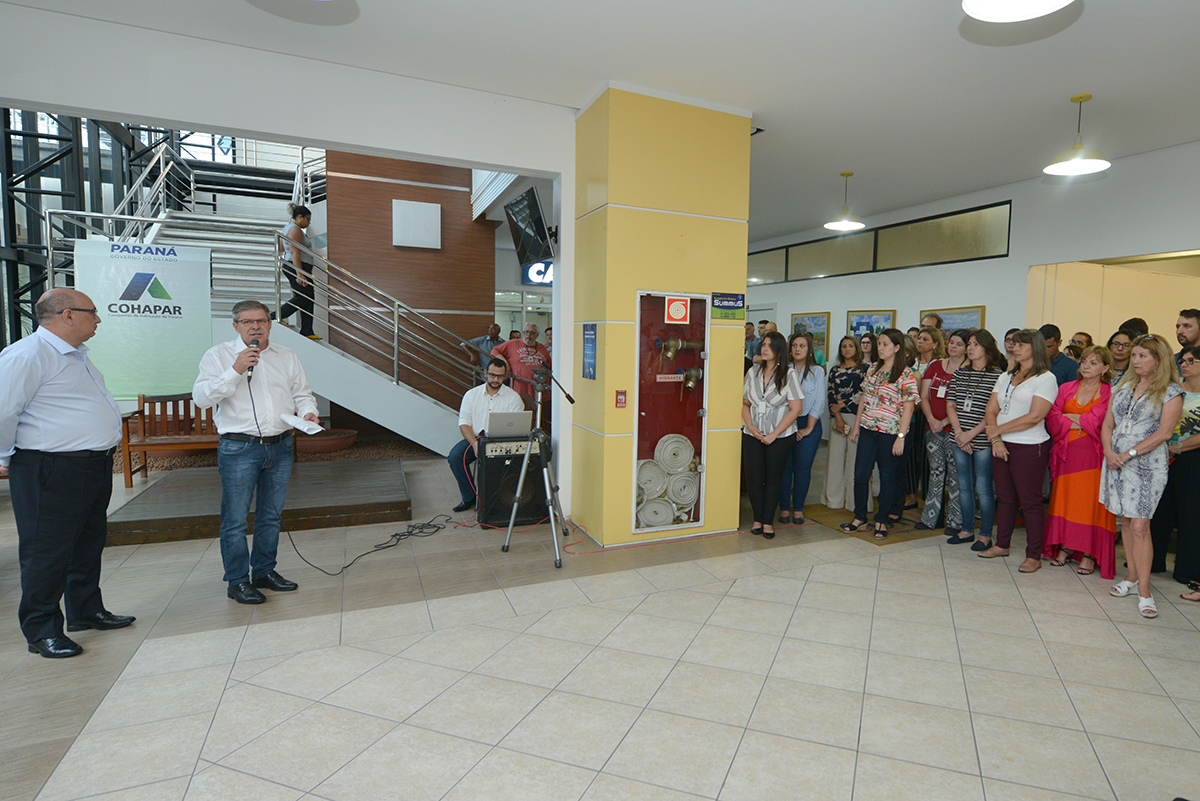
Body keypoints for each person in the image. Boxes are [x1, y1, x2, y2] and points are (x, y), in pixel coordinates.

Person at [0, 289, 134, 658]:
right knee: (46, 551)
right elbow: (4, 410)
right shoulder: (27, 355)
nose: (98, 319)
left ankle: (85, 611)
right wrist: (3, 456)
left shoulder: (76, 355)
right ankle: (42, 630)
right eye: (93, 312)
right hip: (50, 467)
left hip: (92, 465)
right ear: (67, 315)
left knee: (87, 543)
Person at [194, 300, 320, 605]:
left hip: (281, 446)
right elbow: (201, 398)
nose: (255, 327)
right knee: (236, 520)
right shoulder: (218, 356)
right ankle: (237, 581)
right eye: (248, 322)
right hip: (239, 448)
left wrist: (308, 412)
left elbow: (302, 393)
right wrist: (235, 369)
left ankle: (264, 571)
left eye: (261, 321)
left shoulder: (287, 356)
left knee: (271, 516)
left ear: (270, 324)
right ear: (235, 326)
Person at [1100, 334, 1184, 619]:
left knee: (1140, 525)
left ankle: (1145, 591)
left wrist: (1128, 454)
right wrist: (1109, 451)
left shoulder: (1171, 391)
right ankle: (1131, 577)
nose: (1135, 361)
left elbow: (1164, 433)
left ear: (1158, 360)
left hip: (1147, 465)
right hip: (1115, 461)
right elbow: (1108, 424)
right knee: (1125, 520)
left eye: (1142, 356)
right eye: (1134, 355)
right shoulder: (1123, 387)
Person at [979, 329, 1058, 573]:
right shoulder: (1006, 375)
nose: (1015, 348)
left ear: (1035, 348)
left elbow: (1035, 416)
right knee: (1005, 497)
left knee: (1030, 501)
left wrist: (997, 430)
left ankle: (1034, 555)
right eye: (1015, 344)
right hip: (1001, 443)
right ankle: (1002, 544)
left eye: (1022, 344)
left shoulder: (1045, 378)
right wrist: (996, 439)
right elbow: (991, 410)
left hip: (1029, 445)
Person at [1043, 346, 1116, 578]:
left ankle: (1089, 553)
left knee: (1090, 504)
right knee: (1066, 500)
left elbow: (1100, 422)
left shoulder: (1109, 392)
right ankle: (1065, 546)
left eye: (1094, 363)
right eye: (1084, 361)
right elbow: (1053, 417)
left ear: (1105, 368)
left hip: (1094, 457)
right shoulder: (1066, 388)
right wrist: (1083, 420)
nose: (1086, 366)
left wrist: (1071, 417)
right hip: (1066, 455)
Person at [845, 329, 919, 539]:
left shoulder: (905, 373)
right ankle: (859, 517)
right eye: (880, 344)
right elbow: (864, 399)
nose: (881, 348)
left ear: (897, 347)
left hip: (890, 432)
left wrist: (901, 437)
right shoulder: (872, 369)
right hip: (868, 429)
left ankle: (882, 520)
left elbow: (909, 408)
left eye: (886, 344)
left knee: (887, 476)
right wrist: (857, 426)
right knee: (860, 475)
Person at [946, 329, 1004, 550]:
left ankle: (986, 534)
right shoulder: (961, 373)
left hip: (983, 440)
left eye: (975, 344)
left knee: (984, 488)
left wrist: (971, 434)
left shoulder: (998, 376)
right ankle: (967, 529)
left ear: (987, 348)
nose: (970, 348)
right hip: (959, 438)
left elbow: (995, 411)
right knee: (964, 486)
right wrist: (959, 433)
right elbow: (951, 404)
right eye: (969, 344)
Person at [741, 330, 803, 539]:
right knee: (754, 478)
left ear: (779, 350)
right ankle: (757, 518)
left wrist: (774, 434)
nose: (764, 348)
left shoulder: (789, 374)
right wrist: (751, 427)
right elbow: (745, 403)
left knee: (773, 478)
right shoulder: (753, 372)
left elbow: (796, 409)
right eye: (763, 344)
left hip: (780, 436)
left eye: (769, 345)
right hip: (753, 433)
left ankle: (768, 521)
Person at [1149, 344, 1200, 584]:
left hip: (1193, 458)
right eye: (1182, 361)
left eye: (1191, 361)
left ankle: (1186, 570)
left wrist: (1178, 447)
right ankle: (1152, 560)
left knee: (1191, 514)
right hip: (1163, 455)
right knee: (1159, 509)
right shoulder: (1173, 390)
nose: (1184, 365)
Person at [447, 358, 525, 513]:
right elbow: (464, 424)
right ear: (485, 373)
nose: (495, 379)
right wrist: (474, 444)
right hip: (476, 438)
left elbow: (516, 427)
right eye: (492, 375)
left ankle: (497, 499)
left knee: (498, 465)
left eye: (500, 376)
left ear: (505, 376)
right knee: (455, 457)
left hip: (501, 441)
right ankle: (470, 497)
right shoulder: (471, 395)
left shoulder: (513, 397)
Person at [918, 328, 967, 537]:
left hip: (956, 429)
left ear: (966, 348)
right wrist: (931, 419)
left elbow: (965, 403)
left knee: (955, 474)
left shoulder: (968, 369)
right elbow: (924, 396)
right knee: (936, 472)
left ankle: (955, 520)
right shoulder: (936, 366)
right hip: (933, 428)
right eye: (951, 342)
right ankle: (932, 517)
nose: (953, 347)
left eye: (959, 344)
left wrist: (945, 421)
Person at [779, 332, 826, 525]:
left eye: (802, 346)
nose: (798, 349)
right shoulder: (782, 369)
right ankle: (784, 508)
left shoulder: (817, 371)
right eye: (795, 345)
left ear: (809, 349)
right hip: (784, 423)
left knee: (802, 468)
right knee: (784, 468)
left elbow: (819, 401)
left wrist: (808, 428)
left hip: (809, 422)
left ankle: (798, 509)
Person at [823, 336, 867, 511]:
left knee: (855, 461)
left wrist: (844, 403)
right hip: (837, 419)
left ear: (856, 348)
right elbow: (831, 393)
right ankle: (834, 500)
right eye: (844, 346)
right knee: (835, 460)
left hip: (857, 418)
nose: (847, 349)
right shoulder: (835, 370)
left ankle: (854, 502)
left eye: (850, 346)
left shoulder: (865, 369)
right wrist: (838, 415)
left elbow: (864, 392)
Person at [275, 203, 320, 340]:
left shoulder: (287, 228)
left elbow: (282, 248)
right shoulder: (295, 229)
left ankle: (307, 330)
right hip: (298, 267)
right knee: (303, 297)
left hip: (294, 266)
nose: (309, 223)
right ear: (300, 217)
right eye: (308, 219)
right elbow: (295, 253)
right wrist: (300, 274)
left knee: (307, 298)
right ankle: (275, 316)